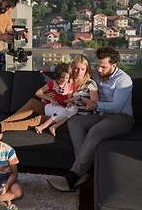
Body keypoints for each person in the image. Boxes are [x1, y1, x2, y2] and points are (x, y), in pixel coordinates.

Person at [47, 46, 134, 192]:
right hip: (101, 115)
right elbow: (74, 70)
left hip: (121, 118)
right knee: (74, 121)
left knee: (96, 131)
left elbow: (117, 107)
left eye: (103, 67)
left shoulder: (124, 80)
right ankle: (86, 172)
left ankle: (73, 176)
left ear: (114, 65)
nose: (99, 70)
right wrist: (48, 68)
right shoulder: (96, 72)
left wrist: (95, 104)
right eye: (98, 65)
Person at [1, 55, 98, 132]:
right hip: (57, 108)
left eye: (82, 69)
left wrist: (80, 98)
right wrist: (48, 69)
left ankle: (3, 127)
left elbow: (95, 104)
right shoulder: (67, 80)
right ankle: (4, 122)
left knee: (40, 119)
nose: (79, 72)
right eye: (76, 68)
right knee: (33, 103)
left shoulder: (90, 84)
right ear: (72, 68)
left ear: (87, 70)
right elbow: (60, 70)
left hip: (72, 119)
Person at [35, 62, 78, 136]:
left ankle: (54, 126)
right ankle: (43, 126)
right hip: (50, 106)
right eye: (62, 77)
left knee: (74, 109)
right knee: (64, 111)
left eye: (67, 78)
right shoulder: (52, 83)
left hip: (62, 109)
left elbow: (68, 99)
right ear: (57, 76)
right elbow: (38, 93)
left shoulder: (69, 86)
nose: (64, 80)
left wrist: (69, 103)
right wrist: (50, 99)